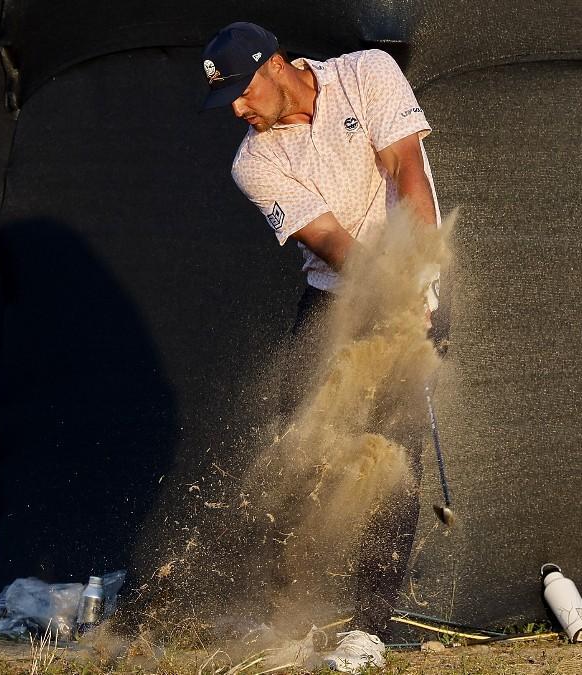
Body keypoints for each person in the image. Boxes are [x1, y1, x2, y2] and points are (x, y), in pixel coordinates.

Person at [200, 20, 445, 664]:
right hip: (333, 299)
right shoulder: (253, 162)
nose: (237, 109)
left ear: (276, 64)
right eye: (226, 100)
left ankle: (371, 626)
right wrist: (389, 290)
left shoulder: (367, 73)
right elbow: (332, 244)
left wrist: (416, 278)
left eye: (242, 91)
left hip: (411, 280)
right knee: (298, 448)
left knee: (393, 456)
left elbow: (409, 178)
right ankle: (274, 611)